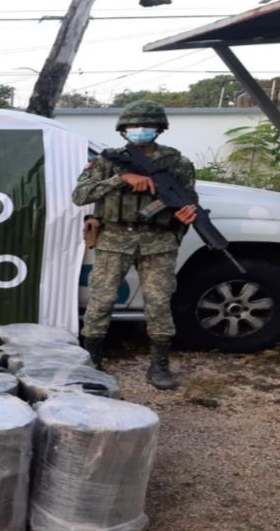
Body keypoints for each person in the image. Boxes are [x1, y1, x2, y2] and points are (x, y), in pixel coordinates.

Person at [72, 101, 197, 390]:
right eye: (132, 126)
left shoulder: (176, 163)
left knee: (158, 304)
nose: (139, 131)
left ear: (160, 129)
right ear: (123, 129)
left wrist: (187, 212)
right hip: (113, 239)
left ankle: (159, 364)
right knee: (100, 301)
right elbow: (80, 195)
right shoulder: (107, 161)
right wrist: (121, 178)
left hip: (159, 241)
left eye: (147, 126)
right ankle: (93, 360)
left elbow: (189, 198)